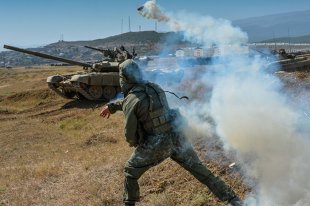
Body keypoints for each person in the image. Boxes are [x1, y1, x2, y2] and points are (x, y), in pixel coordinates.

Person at [99, 59, 243, 206]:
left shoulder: (131, 99)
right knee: (201, 171)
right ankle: (233, 200)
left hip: (157, 144)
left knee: (130, 170)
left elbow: (130, 133)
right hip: (177, 136)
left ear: (123, 78)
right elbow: (133, 102)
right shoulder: (155, 87)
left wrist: (137, 143)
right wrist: (111, 107)